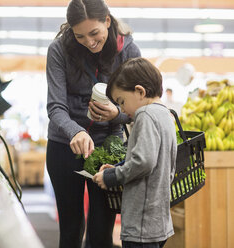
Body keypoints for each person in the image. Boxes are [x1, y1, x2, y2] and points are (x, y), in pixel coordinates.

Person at [45, 0, 141, 247]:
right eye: (80, 36)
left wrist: (116, 114)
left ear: (107, 21)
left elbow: (139, 107)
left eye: (94, 33)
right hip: (64, 146)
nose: (89, 41)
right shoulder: (59, 49)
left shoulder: (128, 51)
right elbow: (55, 106)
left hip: (107, 148)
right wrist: (74, 131)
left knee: (101, 231)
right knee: (71, 228)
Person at [93, 57, 176, 248]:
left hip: (141, 223)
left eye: (121, 102)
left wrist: (112, 176)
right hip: (158, 220)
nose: (121, 109)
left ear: (140, 91)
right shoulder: (165, 114)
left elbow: (144, 162)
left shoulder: (145, 115)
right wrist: (118, 167)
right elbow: (154, 158)